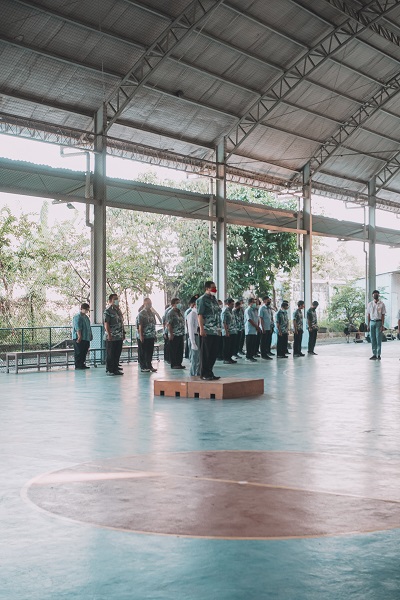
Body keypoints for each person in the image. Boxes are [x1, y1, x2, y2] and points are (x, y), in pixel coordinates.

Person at [197, 281, 221, 380]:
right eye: (213, 287)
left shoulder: (214, 299)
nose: (215, 289)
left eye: (215, 287)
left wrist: (219, 329)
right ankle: (204, 374)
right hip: (207, 330)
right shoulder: (202, 299)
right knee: (205, 353)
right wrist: (201, 329)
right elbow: (200, 315)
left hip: (215, 330)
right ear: (207, 288)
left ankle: (210, 372)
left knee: (213, 353)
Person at [104, 294, 125, 376]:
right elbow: (106, 324)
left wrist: (123, 333)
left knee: (117, 353)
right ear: (110, 301)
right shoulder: (108, 311)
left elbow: (121, 323)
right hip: (111, 336)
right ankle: (109, 369)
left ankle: (115, 369)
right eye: (114, 299)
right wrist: (109, 334)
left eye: (117, 299)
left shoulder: (118, 310)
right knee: (111, 353)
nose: (116, 300)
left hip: (119, 336)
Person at [137, 297, 157, 373]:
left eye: (150, 303)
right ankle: (143, 366)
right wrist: (141, 335)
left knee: (150, 351)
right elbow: (140, 326)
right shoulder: (141, 313)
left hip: (151, 335)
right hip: (144, 335)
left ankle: (149, 365)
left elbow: (153, 324)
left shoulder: (151, 313)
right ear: (144, 303)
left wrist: (154, 334)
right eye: (148, 303)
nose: (150, 304)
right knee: (143, 352)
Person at [72, 302, 92, 370]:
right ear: (82, 309)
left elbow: (89, 327)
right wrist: (79, 336)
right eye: (86, 309)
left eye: (87, 309)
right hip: (79, 338)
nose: (87, 311)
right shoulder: (77, 316)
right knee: (79, 351)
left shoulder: (86, 317)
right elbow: (77, 327)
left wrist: (90, 335)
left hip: (86, 337)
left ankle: (82, 364)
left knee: (84, 351)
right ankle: (78, 365)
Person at [367, 290, 386, 361]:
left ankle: (378, 354)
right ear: (372, 295)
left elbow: (383, 315)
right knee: (372, 338)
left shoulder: (382, 304)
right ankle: (374, 354)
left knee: (378, 338)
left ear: (378, 295)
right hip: (372, 322)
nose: (375, 295)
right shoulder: (370, 304)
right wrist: (368, 324)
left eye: (377, 294)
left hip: (379, 322)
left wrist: (382, 325)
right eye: (374, 294)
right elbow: (368, 315)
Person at [167, 298, 186, 369]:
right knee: (174, 350)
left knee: (180, 350)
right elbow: (169, 324)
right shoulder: (170, 313)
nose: (179, 304)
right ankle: (174, 364)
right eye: (177, 303)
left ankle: (179, 363)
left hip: (180, 333)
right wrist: (171, 334)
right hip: (174, 334)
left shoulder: (179, 312)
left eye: (179, 302)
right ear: (173, 304)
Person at [186, 295, 201, 376]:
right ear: (194, 304)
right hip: (194, 337)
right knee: (194, 359)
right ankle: (193, 375)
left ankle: (198, 374)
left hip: (199, 336)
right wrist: (193, 342)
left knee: (199, 358)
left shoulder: (198, 314)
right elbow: (191, 329)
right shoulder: (192, 314)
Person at [221, 298, 237, 365]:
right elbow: (224, 322)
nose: (233, 306)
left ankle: (229, 358)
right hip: (227, 331)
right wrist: (226, 331)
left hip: (233, 331)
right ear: (228, 304)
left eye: (233, 304)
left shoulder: (232, 311)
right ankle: (225, 359)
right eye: (232, 304)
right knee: (227, 346)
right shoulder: (225, 311)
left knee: (231, 346)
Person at [259, 296, 273, 360]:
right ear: (264, 301)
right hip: (264, 328)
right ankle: (263, 354)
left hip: (268, 327)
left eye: (269, 300)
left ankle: (266, 353)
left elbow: (270, 319)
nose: (269, 301)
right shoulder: (262, 308)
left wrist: (270, 327)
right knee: (263, 342)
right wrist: (262, 328)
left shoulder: (269, 308)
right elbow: (261, 318)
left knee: (267, 341)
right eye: (268, 300)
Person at [244, 298, 258, 362]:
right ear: (249, 303)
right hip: (249, 329)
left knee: (253, 344)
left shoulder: (255, 310)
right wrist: (256, 326)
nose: (254, 303)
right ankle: (248, 356)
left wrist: (257, 326)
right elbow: (249, 319)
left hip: (254, 330)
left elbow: (257, 319)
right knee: (249, 344)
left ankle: (251, 356)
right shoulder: (248, 310)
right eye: (253, 302)